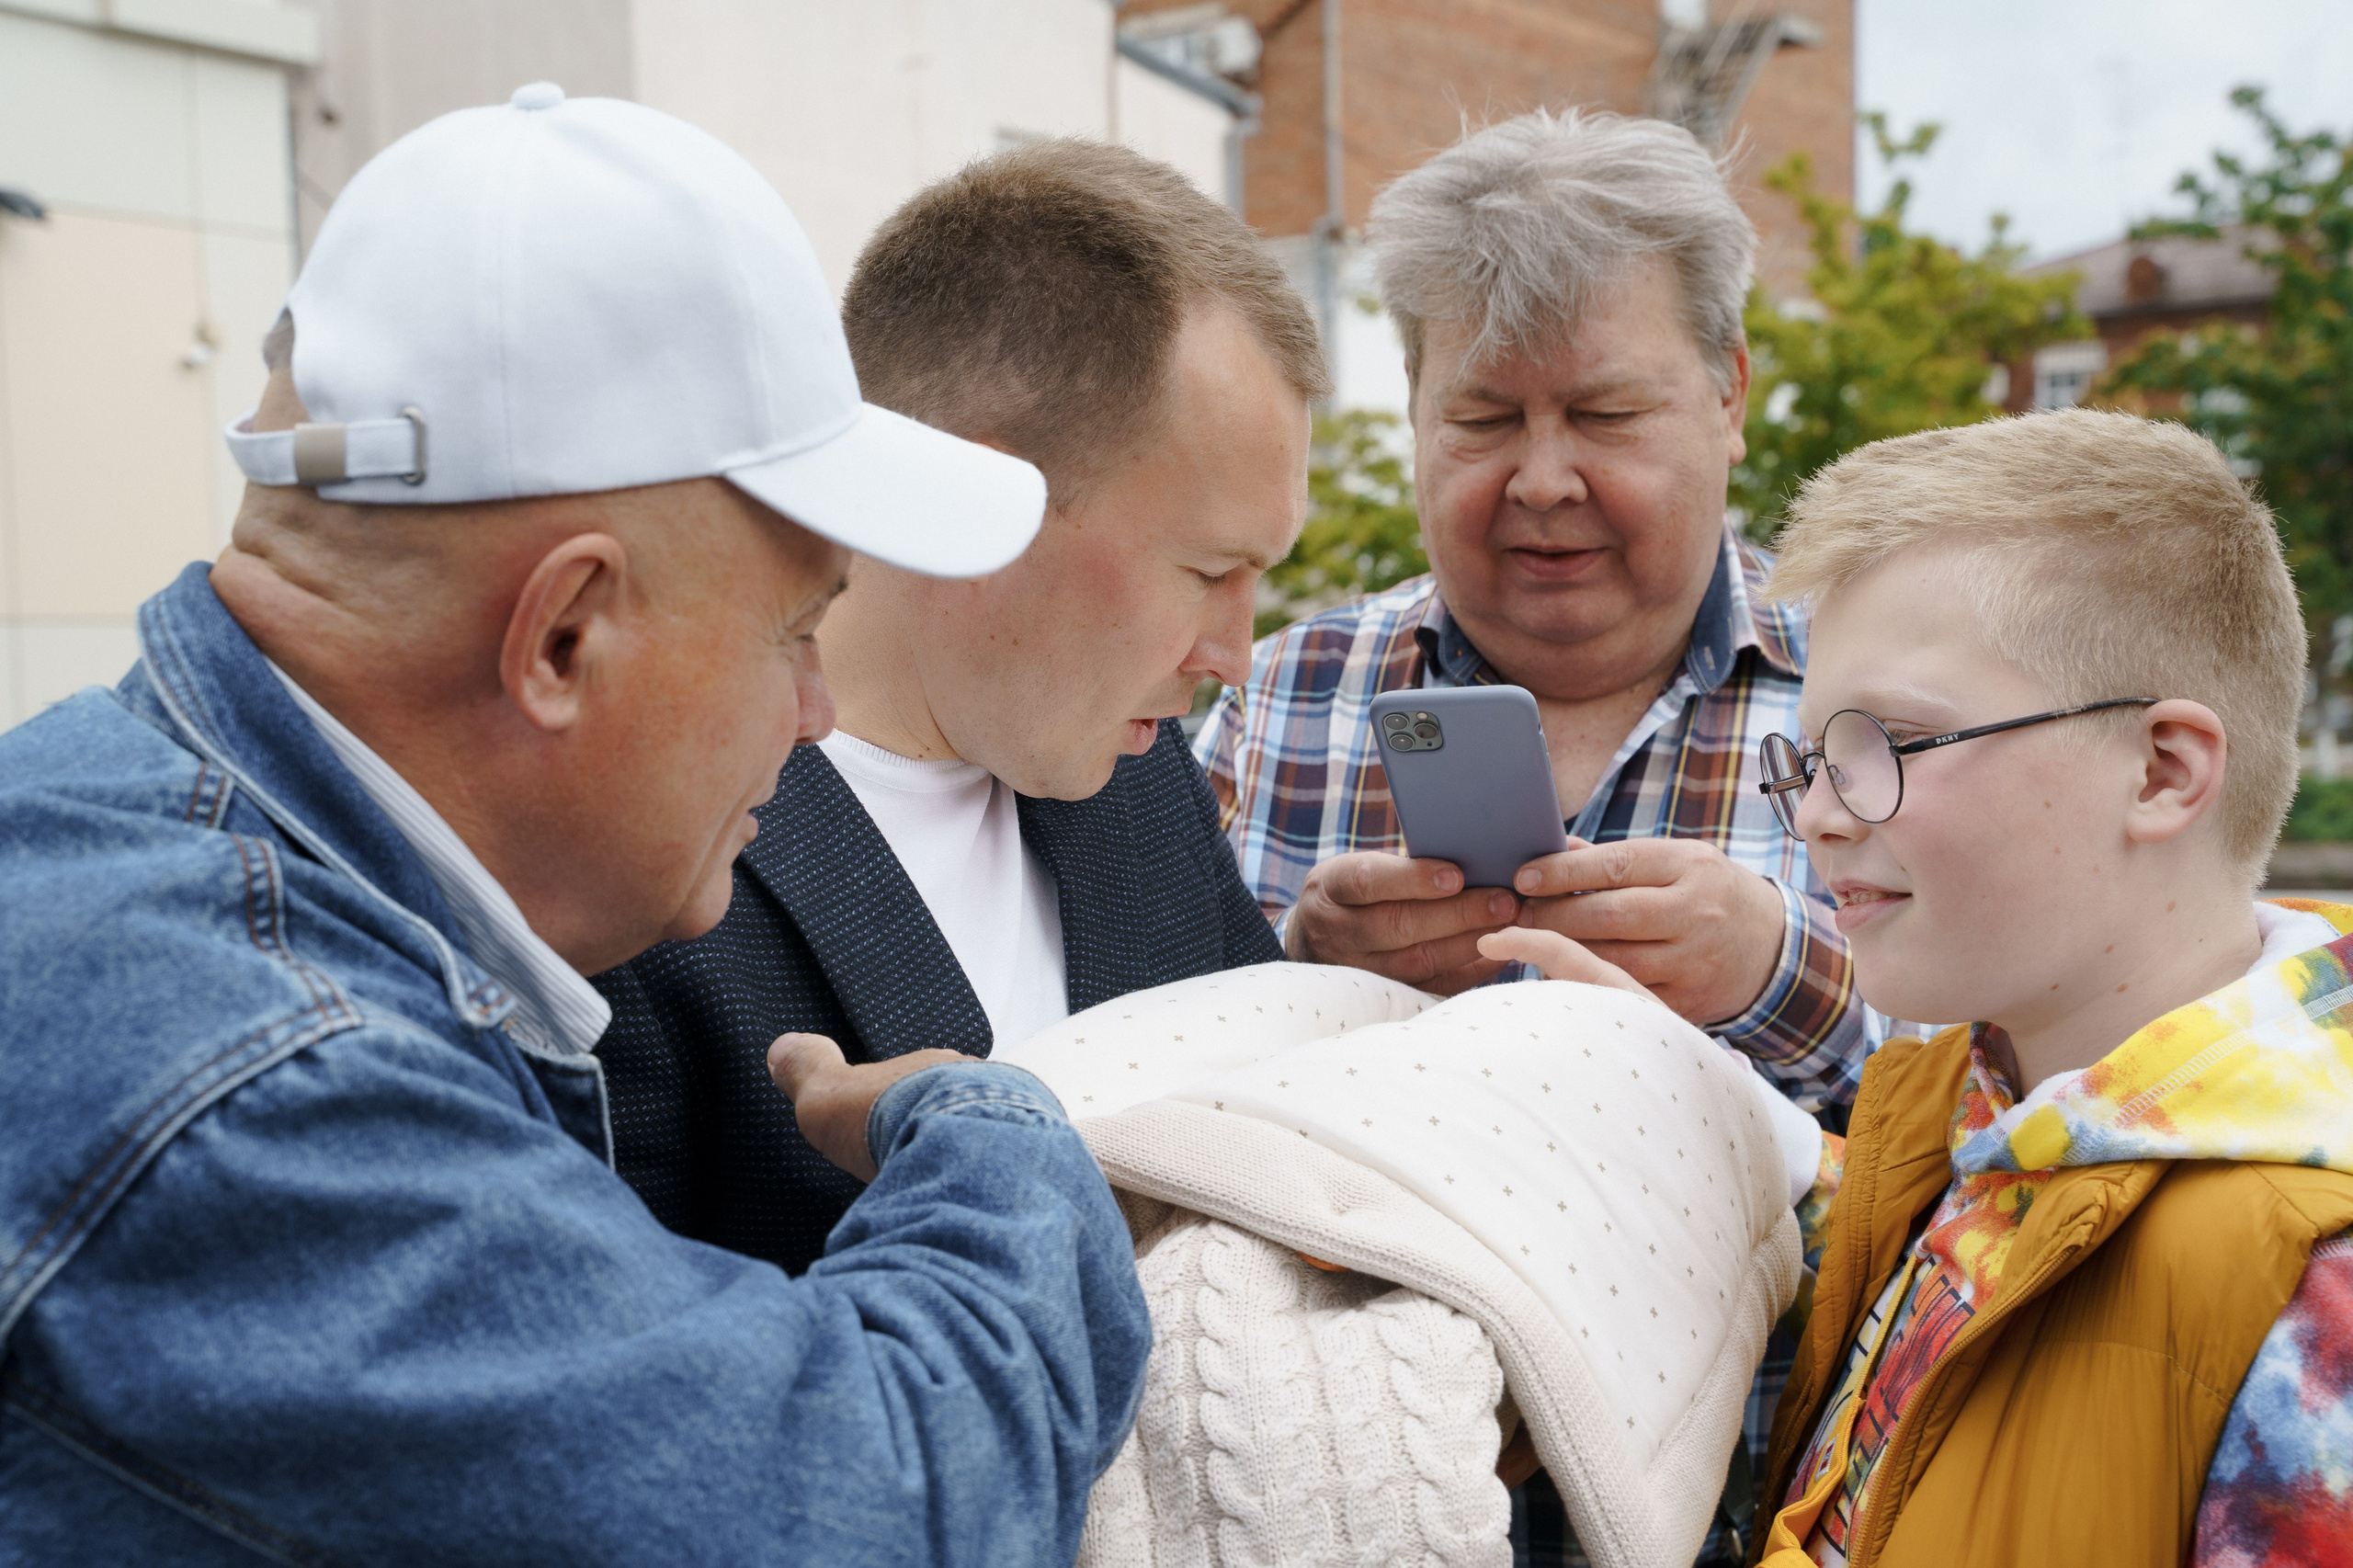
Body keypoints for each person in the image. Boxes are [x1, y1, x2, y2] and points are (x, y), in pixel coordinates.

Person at [0, 86, 1147, 1564]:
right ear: (562, 637)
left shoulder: (113, 828)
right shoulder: (267, 1085)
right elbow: (877, 1510)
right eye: (796, 630)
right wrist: (989, 1130)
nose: (816, 710)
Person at [1195, 108, 1883, 1562]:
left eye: (1607, 415)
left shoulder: (1881, 695)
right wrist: (1300, 971)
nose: (1544, 478)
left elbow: (2037, 1101)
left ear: (1729, 393)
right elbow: (1140, 1077)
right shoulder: (1282, 692)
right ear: (1413, 406)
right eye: (1486, 418)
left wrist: (1779, 973)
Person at [1506, 409, 2353, 1566]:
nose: (1815, 812)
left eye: (1893, 743)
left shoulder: (2317, 1299)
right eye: (1813, 757)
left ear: (2160, 771)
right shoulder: (1977, 1112)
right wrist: (1649, 1066)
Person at [592, 140, 1324, 1275]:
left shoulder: (1139, 774)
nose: (1235, 653)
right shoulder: (633, 858)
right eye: (1207, 571)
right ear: (978, 498)